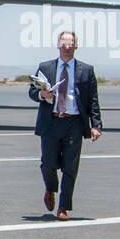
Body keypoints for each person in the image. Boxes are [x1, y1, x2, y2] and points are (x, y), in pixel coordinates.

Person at [28, 31, 103, 220]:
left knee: (71, 167)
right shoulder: (45, 67)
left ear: (76, 46)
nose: (67, 47)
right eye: (64, 44)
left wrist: (96, 125)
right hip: (51, 121)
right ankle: (50, 188)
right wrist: (42, 96)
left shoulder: (86, 70)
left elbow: (93, 99)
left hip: (74, 122)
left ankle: (63, 206)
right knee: (48, 164)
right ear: (58, 45)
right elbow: (32, 91)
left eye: (71, 44)